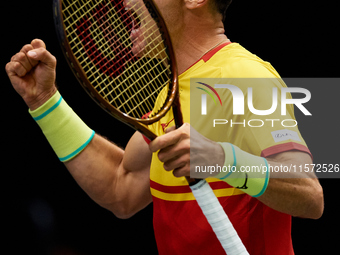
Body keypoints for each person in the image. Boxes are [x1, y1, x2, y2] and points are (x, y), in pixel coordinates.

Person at [6, 0, 323, 254]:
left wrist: (221, 159)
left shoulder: (246, 76)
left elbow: (311, 196)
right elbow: (122, 188)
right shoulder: (172, 92)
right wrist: (45, 103)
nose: (128, 5)